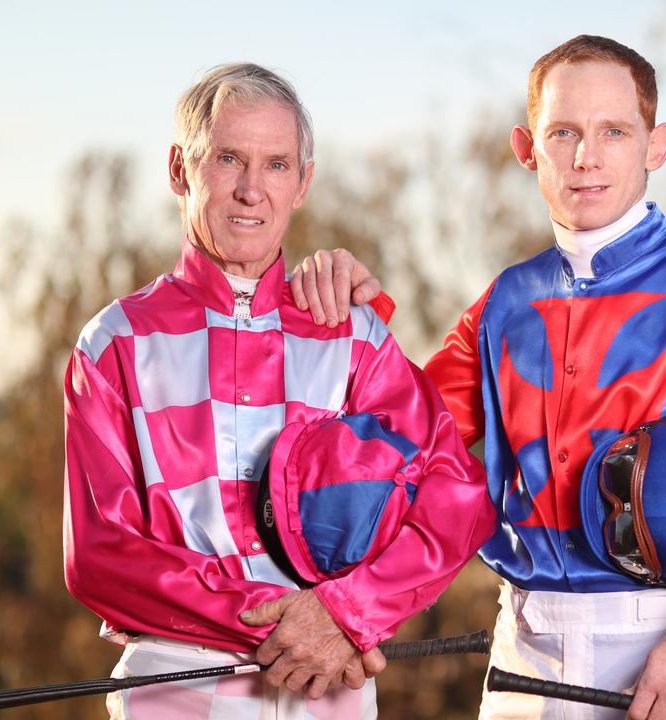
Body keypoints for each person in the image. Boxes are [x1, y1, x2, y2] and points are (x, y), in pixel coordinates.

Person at [292, 35, 666, 720]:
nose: (584, 158)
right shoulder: (503, 303)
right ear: (527, 148)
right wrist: (351, 319)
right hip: (521, 656)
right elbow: (397, 441)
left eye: (612, 131)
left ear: (657, 146)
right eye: (563, 133)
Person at [63, 62, 495, 720]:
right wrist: (297, 623)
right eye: (228, 159)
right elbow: (100, 558)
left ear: (303, 183)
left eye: (276, 165)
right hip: (176, 686)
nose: (250, 190)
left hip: (330, 681)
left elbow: (458, 499)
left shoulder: (353, 335)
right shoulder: (115, 343)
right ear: (181, 169)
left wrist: (353, 610)